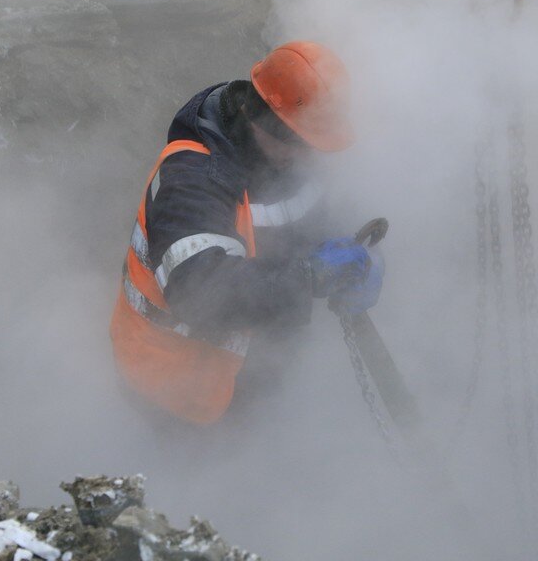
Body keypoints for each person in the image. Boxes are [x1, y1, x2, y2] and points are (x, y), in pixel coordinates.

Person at [109, 41, 384, 425]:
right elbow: (201, 295)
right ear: (265, 121)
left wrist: (354, 253)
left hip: (251, 378)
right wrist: (310, 277)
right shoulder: (190, 179)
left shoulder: (287, 161)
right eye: (303, 143)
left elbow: (311, 218)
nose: (310, 156)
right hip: (177, 394)